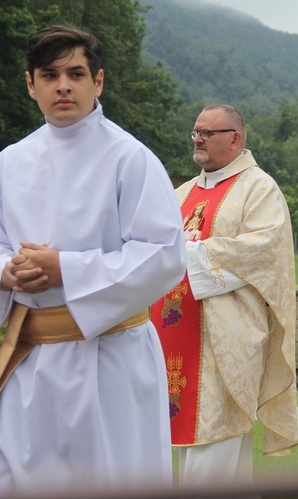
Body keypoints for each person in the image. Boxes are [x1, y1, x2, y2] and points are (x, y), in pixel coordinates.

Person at [0, 25, 186, 494]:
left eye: (76, 73)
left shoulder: (130, 159)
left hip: (110, 362)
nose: (63, 85)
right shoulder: (8, 163)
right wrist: (6, 272)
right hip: (31, 363)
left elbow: (164, 255)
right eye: (50, 74)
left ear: (97, 81)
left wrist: (68, 267)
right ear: (30, 84)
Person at [152, 104, 297, 488]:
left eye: (208, 133)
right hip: (174, 339)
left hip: (223, 346)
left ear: (236, 138)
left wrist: (186, 253)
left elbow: (264, 250)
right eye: (195, 132)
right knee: (191, 457)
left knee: (212, 459)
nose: (198, 139)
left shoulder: (258, 188)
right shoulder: (181, 192)